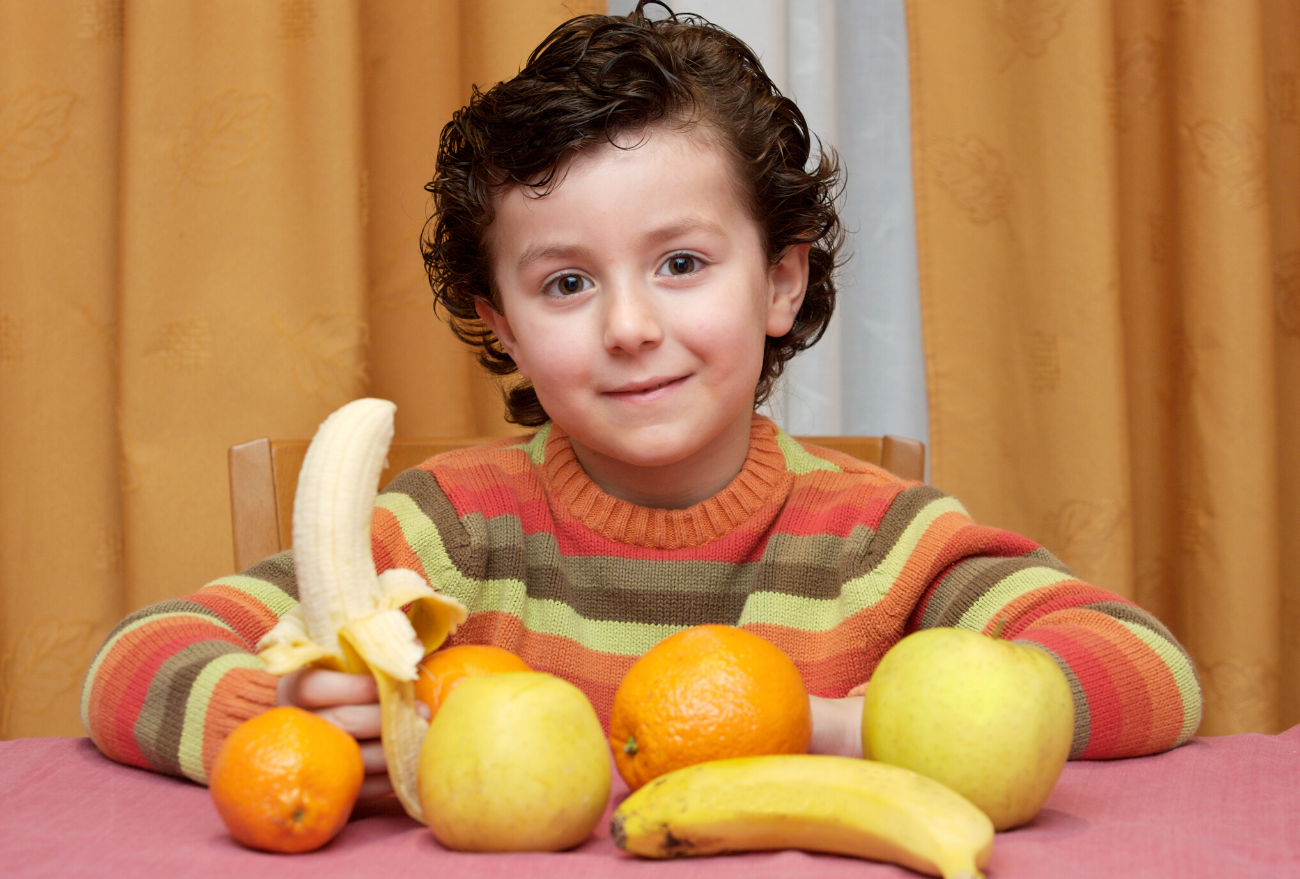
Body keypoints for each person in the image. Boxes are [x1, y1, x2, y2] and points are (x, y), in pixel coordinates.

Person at [81, 3, 1202, 801]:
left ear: (779, 280)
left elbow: (1146, 668)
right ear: (505, 324)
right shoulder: (443, 534)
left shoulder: (880, 543)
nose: (628, 326)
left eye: (679, 264)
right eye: (567, 283)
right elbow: (138, 654)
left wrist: (835, 725)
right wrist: (267, 714)